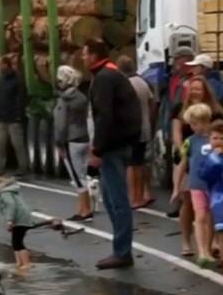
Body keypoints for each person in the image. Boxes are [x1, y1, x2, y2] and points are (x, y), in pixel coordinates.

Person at [83, 39, 141, 270]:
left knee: (118, 201)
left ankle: (123, 251)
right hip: (120, 143)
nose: (82, 58)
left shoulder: (105, 78)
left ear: (95, 55)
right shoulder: (110, 74)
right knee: (109, 198)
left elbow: (104, 117)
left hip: (114, 147)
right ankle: (120, 247)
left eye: (85, 54)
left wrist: (97, 148)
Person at [170, 75, 223, 257]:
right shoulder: (180, 110)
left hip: (210, 167)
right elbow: (177, 133)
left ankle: (213, 243)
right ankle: (187, 241)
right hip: (190, 158)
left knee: (211, 209)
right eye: (192, 88)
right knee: (188, 204)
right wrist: (184, 150)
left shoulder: (214, 111)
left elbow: (218, 135)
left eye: (198, 88)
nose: (195, 91)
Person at [175, 103, 216, 267]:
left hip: (214, 186)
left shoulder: (216, 138)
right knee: (200, 217)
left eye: (196, 123)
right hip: (196, 185)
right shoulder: (189, 142)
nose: (193, 127)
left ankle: (208, 247)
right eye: (191, 124)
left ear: (206, 121)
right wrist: (177, 187)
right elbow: (183, 164)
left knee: (212, 218)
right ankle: (202, 252)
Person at [52, 65, 92, 222]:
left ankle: (84, 209)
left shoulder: (63, 100)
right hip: (83, 137)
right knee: (82, 173)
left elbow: (60, 124)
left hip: (70, 140)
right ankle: (85, 208)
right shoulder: (81, 97)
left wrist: (59, 143)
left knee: (77, 176)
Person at [117, 55, 156, 209]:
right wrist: (147, 118)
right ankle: (141, 196)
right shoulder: (142, 82)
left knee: (131, 166)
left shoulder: (126, 84)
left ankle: (134, 198)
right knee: (139, 163)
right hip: (144, 128)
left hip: (131, 130)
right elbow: (153, 103)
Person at [0, 173, 34, 270]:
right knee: (15, 242)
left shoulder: (5, 195)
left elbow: (10, 206)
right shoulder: (7, 192)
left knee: (18, 242)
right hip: (20, 218)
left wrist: (10, 220)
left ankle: (26, 263)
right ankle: (20, 262)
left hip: (20, 219)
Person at [165, 46, 195, 218]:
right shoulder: (175, 78)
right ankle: (179, 202)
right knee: (178, 167)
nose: (175, 63)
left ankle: (185, 203)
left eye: (178, 59)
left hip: (188, 129)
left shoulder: (193, 80)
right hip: (176, 123)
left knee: (187, 170)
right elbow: (171, 103)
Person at [0, 56, 29, 177]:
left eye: (0, 64)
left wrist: (19, 115)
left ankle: (23, 167)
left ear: (6, 65)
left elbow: (21, 99)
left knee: (17, 144)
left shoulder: (17, 81)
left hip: (13, 118)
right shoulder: (1, 81)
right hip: (2, 117)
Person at [198, 119, 223, 250]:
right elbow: (204, 175)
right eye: (215, 138)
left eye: (222, 138)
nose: (218, 141)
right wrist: (216, 159)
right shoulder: (210, 158)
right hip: (220, 199)